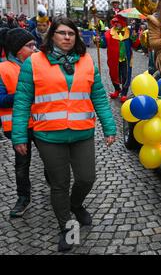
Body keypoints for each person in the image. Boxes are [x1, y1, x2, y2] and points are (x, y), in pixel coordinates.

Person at [11, 16, 116, 252]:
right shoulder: (34, 62)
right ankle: (67, 228)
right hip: (49, 136)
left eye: (71, 33)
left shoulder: (86, 61)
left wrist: (109, 127)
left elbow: (98, 95)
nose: (67, 37)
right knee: (60, 184)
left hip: (82, 133)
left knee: (86, 178)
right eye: (62, 33)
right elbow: (22, 102)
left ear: (76, 36)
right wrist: (19, 136)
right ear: (52, 35)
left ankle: (76, 204)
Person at [0, 28, 37, 217]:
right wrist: (23, 95)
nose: (34, 49)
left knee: (52, 160)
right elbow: (0, 99)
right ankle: (23, 198)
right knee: (22, 165)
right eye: (29, 46)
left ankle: (57, 188)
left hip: (41, 124)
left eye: (34, 45)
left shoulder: (39, 65)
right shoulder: (3, 69)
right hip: (18, 127)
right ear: (17, 50)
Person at [103, 15, 138, 103]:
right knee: (114, 74)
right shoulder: (108, 33)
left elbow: (135, 45)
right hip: (113, 59)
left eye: (118, 22)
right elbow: (103, 44)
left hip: (126, 58)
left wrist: (134, 37)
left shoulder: (129, 31)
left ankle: (124, 93)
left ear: (123, 22)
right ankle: (117, 90)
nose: (116, 24)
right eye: (115, 22)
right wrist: (98, 40)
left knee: (126, 75)